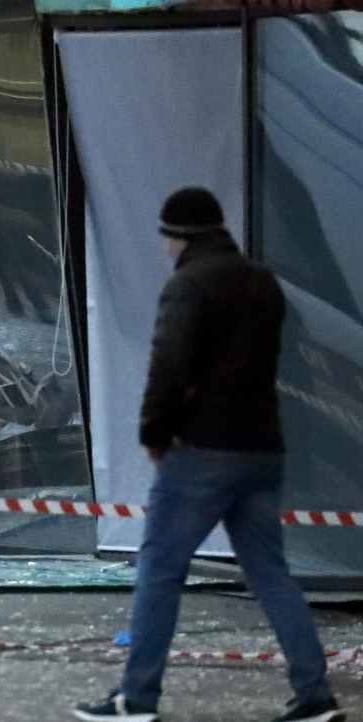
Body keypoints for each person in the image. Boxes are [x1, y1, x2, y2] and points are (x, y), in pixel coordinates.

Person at [75, 188, 343, 722]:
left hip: (202, 450)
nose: (165, 249)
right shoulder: (263, 283)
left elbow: (169, 366)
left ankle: (137, 697)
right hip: (262, 449)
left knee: (160, 569)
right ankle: (315, 695)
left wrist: (154, 433)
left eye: (166, 239)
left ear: (178, 236)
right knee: (271, 574)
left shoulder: (188, 285)